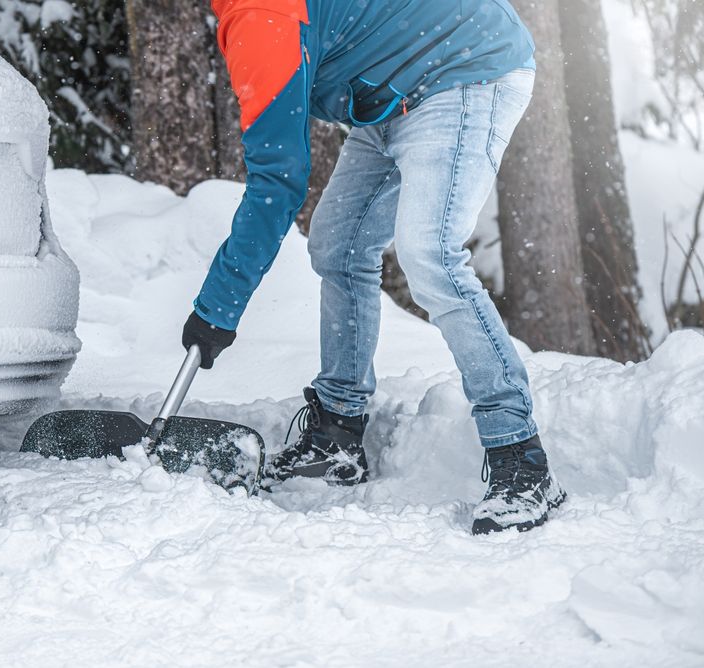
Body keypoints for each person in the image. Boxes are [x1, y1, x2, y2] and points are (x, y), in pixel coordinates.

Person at [181, 0, 566, 534]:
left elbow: (277, 185)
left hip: (464, 66)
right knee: (338, 247)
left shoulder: (261, 17)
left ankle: (521, 462)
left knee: (430, 254)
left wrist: (217, 308)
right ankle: (338, 434)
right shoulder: (255, 15)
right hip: (394, 90)